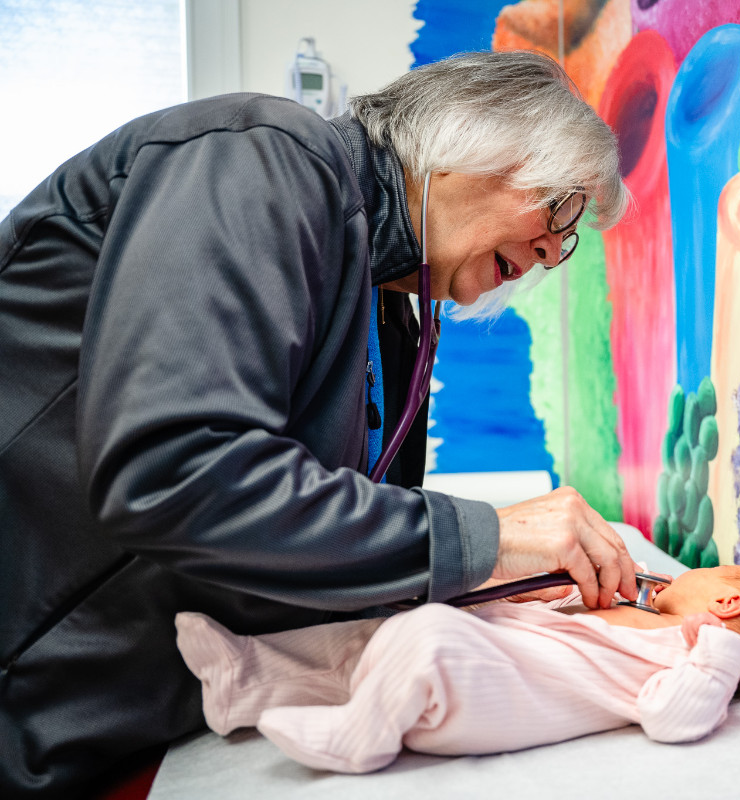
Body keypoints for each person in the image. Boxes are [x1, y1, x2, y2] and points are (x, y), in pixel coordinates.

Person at [0, 51, 638, 797]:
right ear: (479, 144)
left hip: (120, 729)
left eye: (569, 239)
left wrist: (492, 581)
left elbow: (325, 551)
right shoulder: (261, 158)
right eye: (558, 208)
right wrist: (486, 539)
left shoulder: (393, 314)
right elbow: (172, 471)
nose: (549, 253)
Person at [174, 564, 740, 773]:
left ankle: (361, 735)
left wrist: (719, 654)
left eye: (702, 573)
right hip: (481, 656)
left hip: (480, 695)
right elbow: (566, 629)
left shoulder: (693, 659)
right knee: (368, 639)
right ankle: (245, 680)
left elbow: (671, 720)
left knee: (424, 637)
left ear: (727, 601)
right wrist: (548, 594)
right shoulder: (648, 621)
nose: (678, 577)